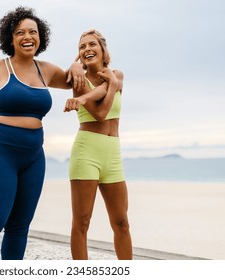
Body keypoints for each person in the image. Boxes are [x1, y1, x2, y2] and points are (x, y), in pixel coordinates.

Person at [0, 6, 84, 260]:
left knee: (19, 227)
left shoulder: (47, 70)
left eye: (33, 31)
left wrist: (76, 66)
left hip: (33, 156)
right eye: (20, 32)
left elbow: (72, 81)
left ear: (40, 36)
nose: (27, 37)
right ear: (10, 38)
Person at [64, 29, 133, 260]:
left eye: (92, 44)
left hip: (113, 154)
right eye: (82, 47)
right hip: (87, 152)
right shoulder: (79, 81)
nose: (87, 49)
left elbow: (106, 87)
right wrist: (109, 86)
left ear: (103, 50)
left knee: (122, 222)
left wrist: (111, 83)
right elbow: (102, 113)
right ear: (79, 56)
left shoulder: (118, 74)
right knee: (81, 223)